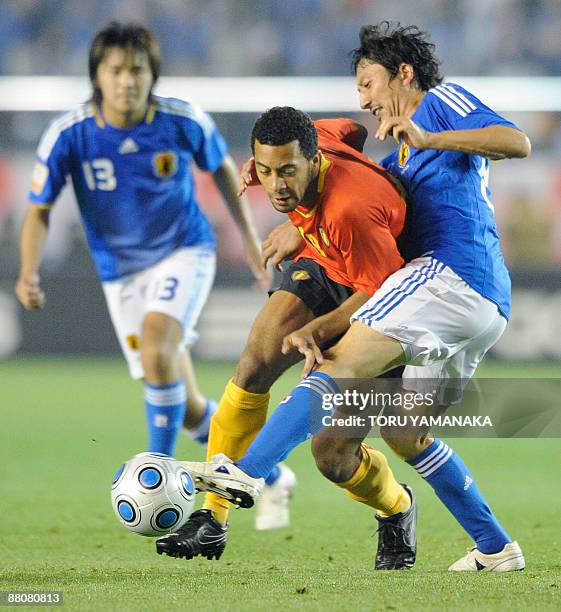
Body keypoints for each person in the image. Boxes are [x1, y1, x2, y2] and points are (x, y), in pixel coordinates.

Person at [170, 22, 531, 572]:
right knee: (406, 432)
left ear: (403, 74)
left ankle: (246, 470)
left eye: (369, 83)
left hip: (446, 276)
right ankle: (496, 547)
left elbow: (516, 141)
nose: (362, 97)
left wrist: (429, 136)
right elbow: (353, 166)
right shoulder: (401, 152)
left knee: (336, 361)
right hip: (483, 306)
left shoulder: (438, 105)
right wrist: (299, 213)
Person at [156, 106, 417, 568]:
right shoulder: (314, 138)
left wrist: (326, 326)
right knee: (255, 362)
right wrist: (294, 208)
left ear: (313, 160)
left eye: (288, 171)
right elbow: (351, 129)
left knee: (332, 455)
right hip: (326, 264)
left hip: (382, 295)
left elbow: (383, 288)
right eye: (266, 169)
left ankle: (397, 507)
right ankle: (212, 520)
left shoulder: (351, 211)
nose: (276, 184)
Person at [15, 22, 268, 458]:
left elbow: (222, 167)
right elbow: (38, 210)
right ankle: (261, 470)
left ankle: (156, 469)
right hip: (120, 271)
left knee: (156, 350)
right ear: (97, 75)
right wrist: (28, 271)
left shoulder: (180, 119)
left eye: (137, 70)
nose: (127, 81)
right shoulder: (69, 134)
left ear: (153, 75)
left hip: (183, 250)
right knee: (184, 404)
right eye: (116, 70)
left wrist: (248, 238)